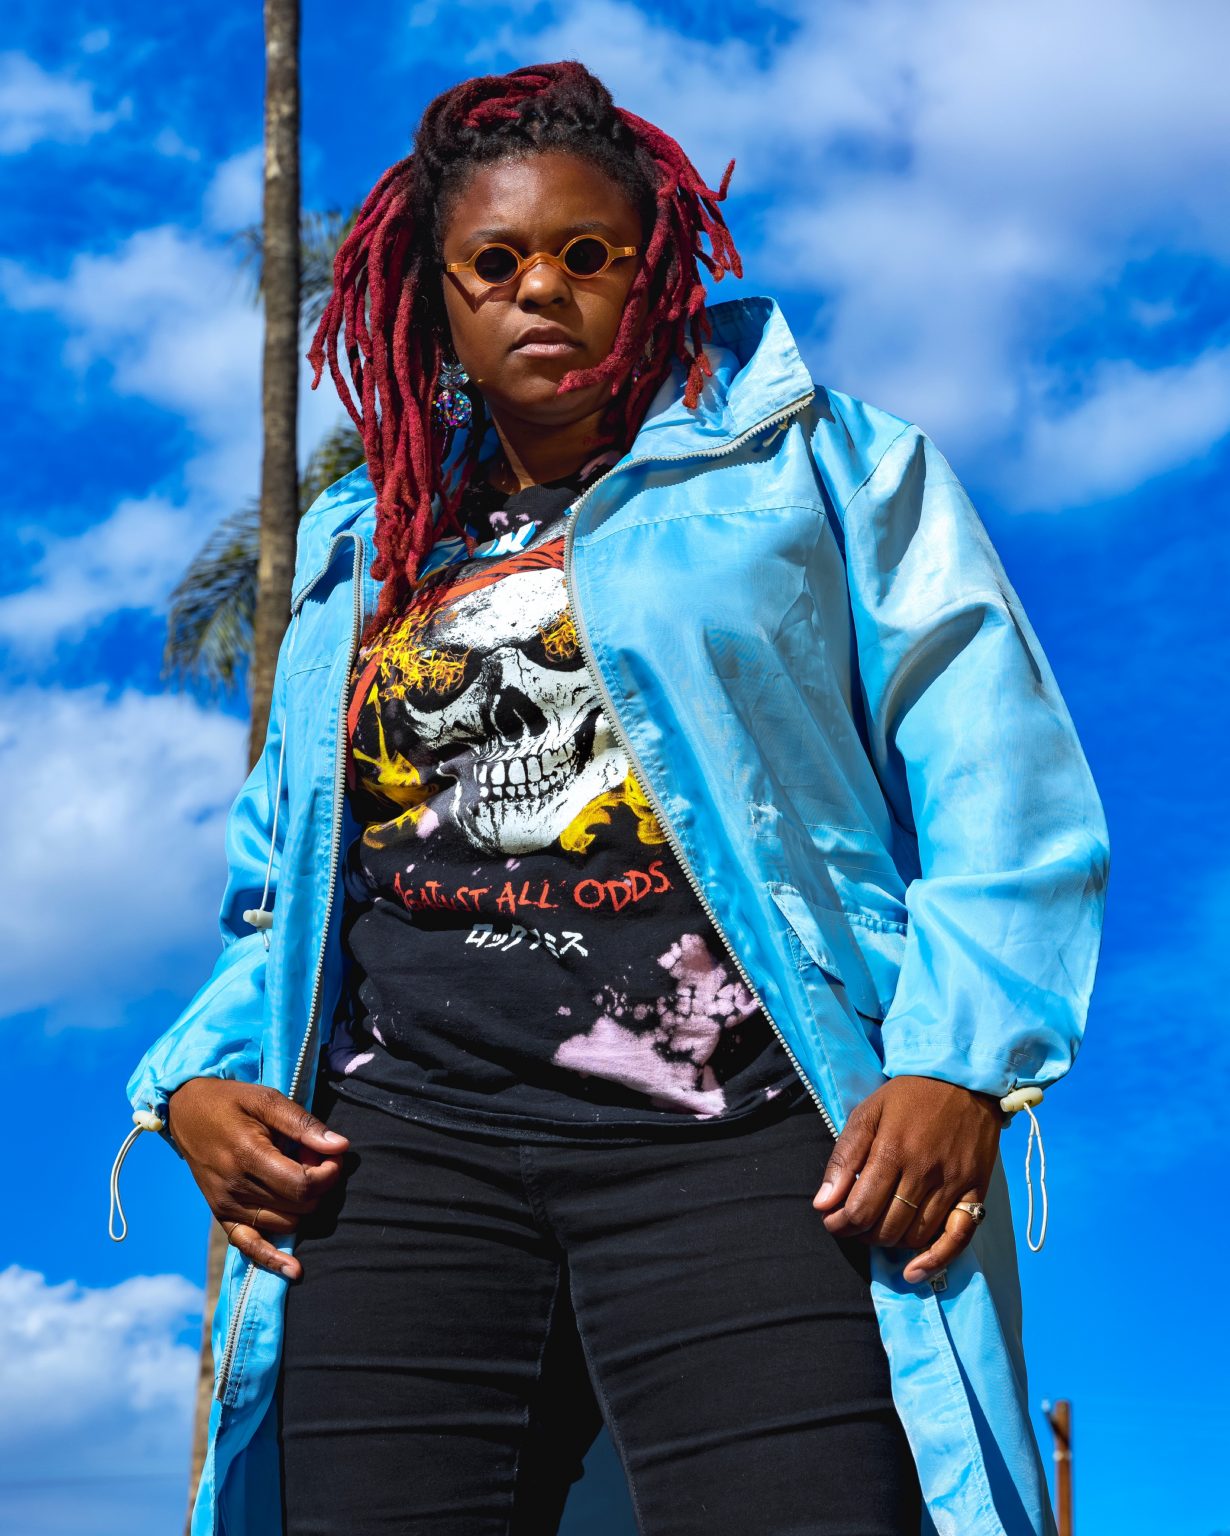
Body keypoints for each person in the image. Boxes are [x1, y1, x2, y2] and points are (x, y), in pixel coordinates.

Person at [111, 60, 1110, 1536]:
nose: (542, 289)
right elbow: (287, 879)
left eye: (588, 253)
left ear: (655, 272)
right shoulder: (364, 541)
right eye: (495, 262)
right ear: (438, 295)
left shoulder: (825, 464)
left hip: (751, 1138)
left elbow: (996, 769)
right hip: (402, 1160)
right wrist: (198, 1077)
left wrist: (959, 1063)